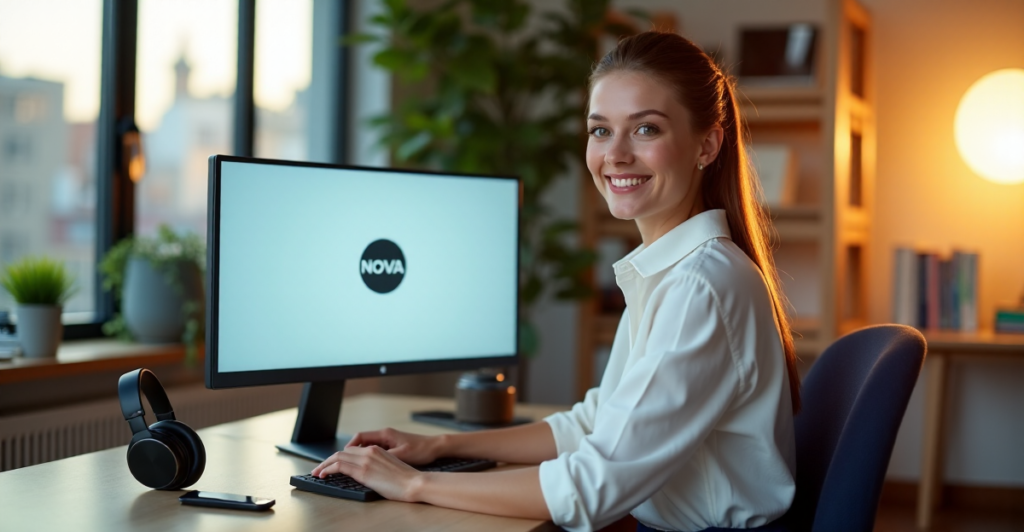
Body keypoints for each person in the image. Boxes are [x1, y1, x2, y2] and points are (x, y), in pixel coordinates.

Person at [311, 31, 801, 532]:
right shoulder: (673, 270)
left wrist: (414, 485)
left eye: (646, 129)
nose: (616, 154)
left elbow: (592, 488)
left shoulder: (701, 286)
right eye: (600, 130)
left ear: (707, 144)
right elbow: (594, 424)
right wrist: (440, 446)